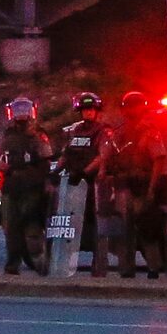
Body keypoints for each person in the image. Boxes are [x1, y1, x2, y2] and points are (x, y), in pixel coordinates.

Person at [99, 91, 164, 278]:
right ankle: (126, 269)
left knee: (146, 228)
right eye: (128, 106)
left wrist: (152, 189)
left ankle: (153, 267)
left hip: (141, 186)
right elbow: (107, 154)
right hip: (122, 186)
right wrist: (103, 170)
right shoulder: (119, 132)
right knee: (123, 230)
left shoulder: (150, 132)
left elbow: (158, 161)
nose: (131, 110)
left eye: (134, 106)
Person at [0, 96, 56, 275]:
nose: (20, 115)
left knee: (32, 228)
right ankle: (12, 265)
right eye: (17, 111)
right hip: (11, 187)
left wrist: (40, 181)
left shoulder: (38, 135)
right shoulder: (7, 135)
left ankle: (40, 264)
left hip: (31, 188)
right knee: (10, 228)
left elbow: (45, 162)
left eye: (24, 111)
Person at [52, 91, 111, 276]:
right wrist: (55, 172)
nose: (88, 113)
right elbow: (66, 154)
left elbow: (102, 156)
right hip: (73, 184)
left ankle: (99, 266)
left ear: (97, 111)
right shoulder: (74, 131)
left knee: (96, 225)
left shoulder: (102, 132)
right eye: (85, 110)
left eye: (91, 110)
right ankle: (66, 263)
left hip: (93, 185)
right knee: (71, 222)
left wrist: (85, 172)